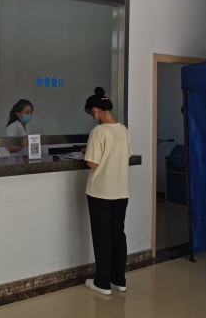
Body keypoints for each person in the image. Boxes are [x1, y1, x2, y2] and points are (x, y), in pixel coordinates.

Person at [82, 87, 133, 296]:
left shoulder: (99, 131)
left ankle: (102, 282)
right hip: (121, 191)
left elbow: (92, 163)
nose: (92, 117)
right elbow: (126, 155)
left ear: (95, 110)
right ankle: (119, 280)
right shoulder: (123, 129)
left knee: (102, 236)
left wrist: (87, 153)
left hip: (101, 192)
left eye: (90, 113)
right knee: (118, 234)